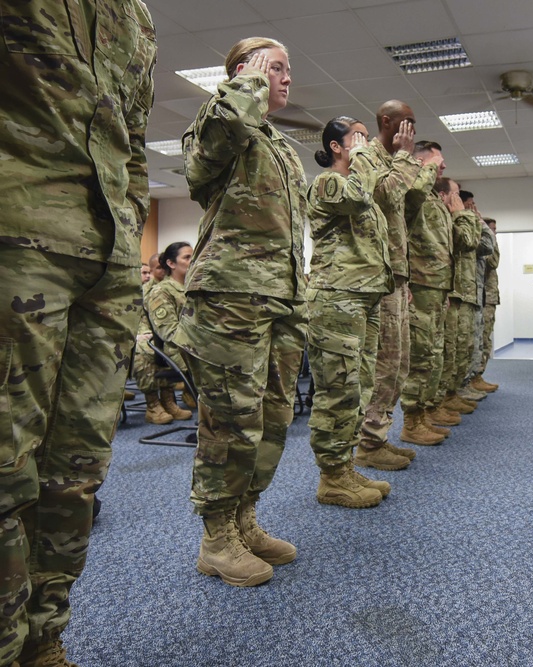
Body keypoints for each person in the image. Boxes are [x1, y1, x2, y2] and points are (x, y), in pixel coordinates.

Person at [0, 2, 156, 665]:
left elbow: (135, 139)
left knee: (76, 472)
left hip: (109, 259)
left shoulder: (137, 16)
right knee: (6, 469)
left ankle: (43, 637)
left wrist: (129, 216)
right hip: (16, 232)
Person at [177, 37, 307, 587]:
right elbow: (201, 165)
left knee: (273, 419)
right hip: (231, 295)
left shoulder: (281, 145)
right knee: (231, 420)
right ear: (244, 71)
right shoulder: (220, 117)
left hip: (279, 296)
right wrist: (246, 84)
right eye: (276, 68)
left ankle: (244, 519)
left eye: (285, 70)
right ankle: (216, 538)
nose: (286, 78)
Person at [305, 117, 396, 506]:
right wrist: (364, 156)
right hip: (336, 296)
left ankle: (344, 465)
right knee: (337, 390)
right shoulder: (328, 182)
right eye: (355, 137)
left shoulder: (362, 183)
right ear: (336, 147)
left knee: (360, 387)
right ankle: (331, 476)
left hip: (365, 295)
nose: (364, 143)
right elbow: (356, 198)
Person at [359, 101, 423, 462]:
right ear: (386, 121)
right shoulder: (366, 157)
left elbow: (401, 223)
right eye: (406, 122)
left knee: (400, 363)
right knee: (384, 363)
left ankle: (379, 434)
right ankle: (368, 444)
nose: (411, 130)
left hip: (395, 276)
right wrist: (404, 157)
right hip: (377, 278)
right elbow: (383, 196)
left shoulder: (392, 160)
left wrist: (406, 277)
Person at [396, 141, 459, 446]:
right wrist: (424, 166)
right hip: (419, 285)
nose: (442, 166)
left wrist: (446, 287)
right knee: (420, 355)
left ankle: (423, 414)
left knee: (432, 354)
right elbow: (409, 202)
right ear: (421, 163)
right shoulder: (413, 190)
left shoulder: (434, 198)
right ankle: (411, 421)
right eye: (437, 161)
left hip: (435, 286)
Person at [436, 178, 483, 416]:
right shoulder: (441, 216)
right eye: (455, 195)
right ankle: (438, 403)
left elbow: (481, 246)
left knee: (459, 349)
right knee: (443, 352)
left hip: (459, 291)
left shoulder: (452, 218)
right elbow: (466, 240)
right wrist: (463, 216)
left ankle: (451, 394)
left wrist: (471, 218)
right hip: (448, 292)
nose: (459, 202)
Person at [146, 242, 195, 421]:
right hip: (180, 350)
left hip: (197, 347)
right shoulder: (161, 291)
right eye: (187, 257)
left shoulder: (192, 289)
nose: (193, 261)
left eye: (193, 256)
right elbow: (170, 333)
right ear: (171, 263)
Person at [134, 251, 174, 424]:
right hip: (147, 335)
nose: (162, 270)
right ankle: (153, 405)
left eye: (164, 266)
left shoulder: (174, 286)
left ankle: (169, 400)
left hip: (167, 334)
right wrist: (143, 334)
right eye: (158, 267)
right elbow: (140, 318)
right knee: (145, 350)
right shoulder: (142, 291)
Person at [471, 218, 501, 393]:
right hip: (482, 297)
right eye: (492, 230)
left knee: (485, 340)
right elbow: (493, 262)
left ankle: (477, 376)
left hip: (488, 296)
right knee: (480, 340)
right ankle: (474, 377)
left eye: (495, 230)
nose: (494, 233)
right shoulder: (485, 243)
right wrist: (491, 239)